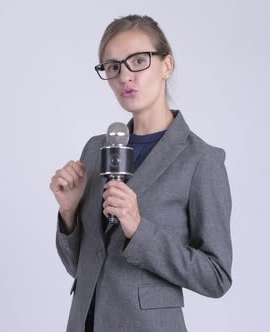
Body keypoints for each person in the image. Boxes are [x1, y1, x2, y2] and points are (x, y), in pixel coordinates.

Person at [50, 15, 232, 332]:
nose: (124, 77)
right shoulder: (95, 150)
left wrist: (139, 229)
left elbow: (216, 277)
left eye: (138, 61)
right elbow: (80, 267)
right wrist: (69, 212)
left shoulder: (202, 160)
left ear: (166, 65)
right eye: (113, 67)